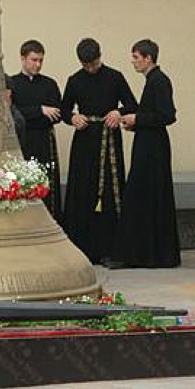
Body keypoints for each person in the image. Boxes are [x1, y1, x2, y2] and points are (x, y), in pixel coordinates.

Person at [61, 38, 138, 264]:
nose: (91, 69)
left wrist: (118, 111)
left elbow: (132, 104)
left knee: (108, 194)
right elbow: (65, 110)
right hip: (84, 142)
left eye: (93, 64)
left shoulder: (115, 77)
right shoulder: (75, 80)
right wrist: (73, 117)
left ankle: (110, 249)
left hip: (108, 141)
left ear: (99, 57)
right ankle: (82, 248)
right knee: (83, 190)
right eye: (86, 66)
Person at [109, 39, 180, 268]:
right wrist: (136, 123)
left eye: (136, 57)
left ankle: (148, 254)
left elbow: (167, 115)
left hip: (154, 150)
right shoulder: (153, 80)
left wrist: (137, 118)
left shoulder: (159, 81)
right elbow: (154, 115)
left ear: (148, 58)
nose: (133, 62)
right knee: (145, 196)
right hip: (148, 144)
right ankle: (145, 253)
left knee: (146, 195)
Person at [11, 40, 63, 220]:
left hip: (44, 141)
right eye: (34, 60)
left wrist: (31, 114)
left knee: (46, 183)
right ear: (23, 58)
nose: (38, 64)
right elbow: (13, 114)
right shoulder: (13, 84)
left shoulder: (49, 84)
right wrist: (39, 110)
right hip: (23, 143)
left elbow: (57, 114)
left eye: (41, 60)